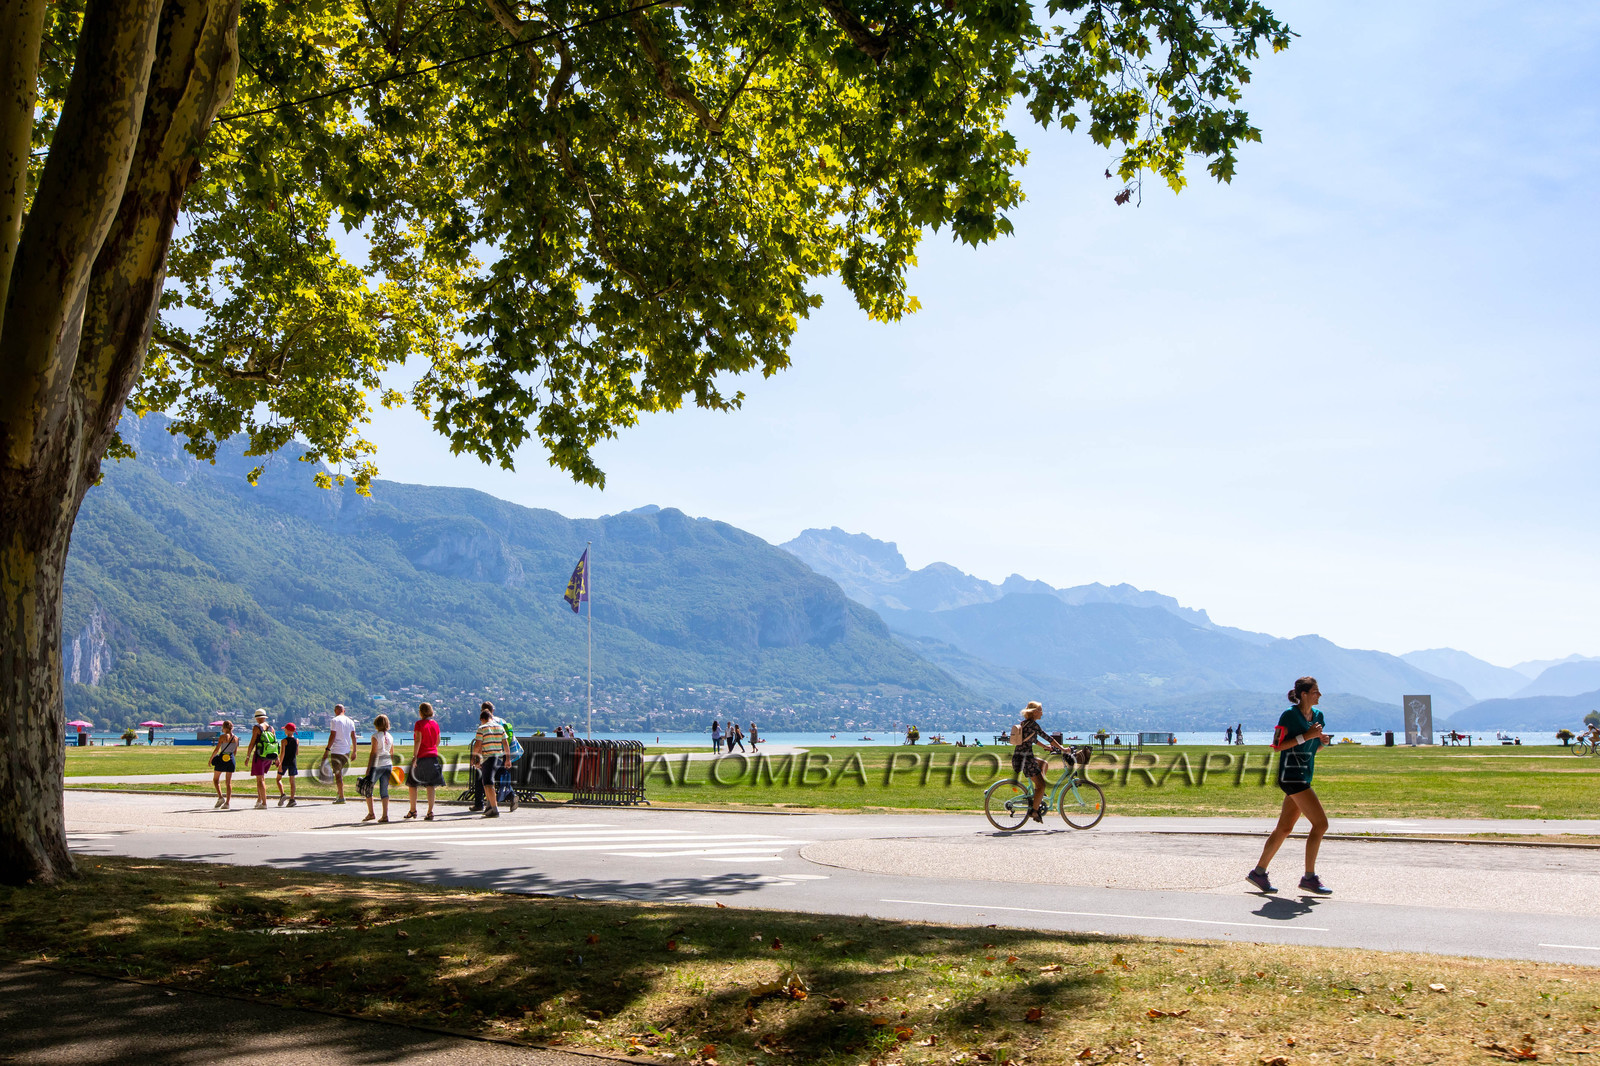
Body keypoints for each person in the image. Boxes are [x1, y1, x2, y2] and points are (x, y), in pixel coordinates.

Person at [1246, 677, 1333, 896]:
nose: (1319, 695)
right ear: (1304, 694)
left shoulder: (1319, 717)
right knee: (1321, 824)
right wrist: (1307, 736)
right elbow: (1277, 746)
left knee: (1284, 828)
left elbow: (1311, 748)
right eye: (1315, 691)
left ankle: (1258, 872)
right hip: (1292, 776)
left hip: (1305, 774)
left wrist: (1322, 742)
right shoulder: (1289, 715)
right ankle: (1309, 877)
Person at [1011, 701, 1069, 824]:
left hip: (1020, 756)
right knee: (1042, 785)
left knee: (1044, 764)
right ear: (1035, 712)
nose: (1042, 713)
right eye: (1041, 710)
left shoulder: (1025, 723)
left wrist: (1045, 747)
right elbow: (1048, 737)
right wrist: (1062, 749)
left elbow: (1033, 739)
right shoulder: (1033, 725)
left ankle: (1038, 793)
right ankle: (1034, 811)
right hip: (1026, 759)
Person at [406, 702, 442, 820]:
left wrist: (415, 756)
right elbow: (438, 740)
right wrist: (432, 747)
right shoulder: (435, 724)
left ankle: (413, 809)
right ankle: (430, 811)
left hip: (422, 756)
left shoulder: (419, 724)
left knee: (412, 783)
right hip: (433, 756)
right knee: (431, 785)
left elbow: (418, 740)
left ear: (421, 712)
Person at [472, 707, 509, 818]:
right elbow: (505, 743)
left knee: (488, 783)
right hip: (499, 757)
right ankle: (489, 806)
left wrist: (474, 757)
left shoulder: (482, 728)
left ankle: (494, 808)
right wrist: (507, 758)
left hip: (488, 757)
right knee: (485, 781)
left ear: (482, 719)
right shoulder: (500, 727)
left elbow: (478, 745)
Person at [362, 713, 395, 823]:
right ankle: (385, 815)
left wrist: (369, 767)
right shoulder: (390, 737)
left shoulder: (375, 736)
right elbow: (391, 752)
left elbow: (374, 753)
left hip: (377, 765)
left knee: (368, 788)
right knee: (384, 790)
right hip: (388, 764)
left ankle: (371, 813)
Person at [323, 704, 358, 804]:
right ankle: (339, 793)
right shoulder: (350, 721)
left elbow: (332, 735)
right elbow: (353, 736)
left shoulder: (335, 720)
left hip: (337, 750)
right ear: (344, 710)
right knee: (340, 773)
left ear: (335, 711)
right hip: (346, 751)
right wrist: (354, 751)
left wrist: (327, 749)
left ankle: (342, 797)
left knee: (338, 774)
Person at [246, 709, 278, 809]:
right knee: (261, 778)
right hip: (269, 756)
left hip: (259, 756)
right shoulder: (271, 728)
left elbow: (252, 743)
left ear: (256, 718)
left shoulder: (257, 728)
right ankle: (259, 800)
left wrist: (248, 756)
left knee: (260, 780)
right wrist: (276, 758)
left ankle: (264, 803)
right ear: (264, 717)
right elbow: (275, 743)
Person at [209, 720, 239, 808]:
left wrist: (211, 759)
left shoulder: (223, 737)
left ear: (225, 728)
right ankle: (228, 803)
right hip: (231, 759)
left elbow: (217, 749)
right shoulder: (236, 738)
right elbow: (235, 751)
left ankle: (220, 797)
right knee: (228, 782)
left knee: (216, 779)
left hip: (222, 758)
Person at [275, 722, 300, 806]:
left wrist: (280, 764)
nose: (284, 731)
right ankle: (292, 799)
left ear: (288, 731)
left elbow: (282, 753)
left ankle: (282, 794)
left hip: (285, 762)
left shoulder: (284, 741)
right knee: (292, 781)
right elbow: (297, 753)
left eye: (285, 729)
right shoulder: (297, 740)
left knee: (278, 779)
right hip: (293, 762)